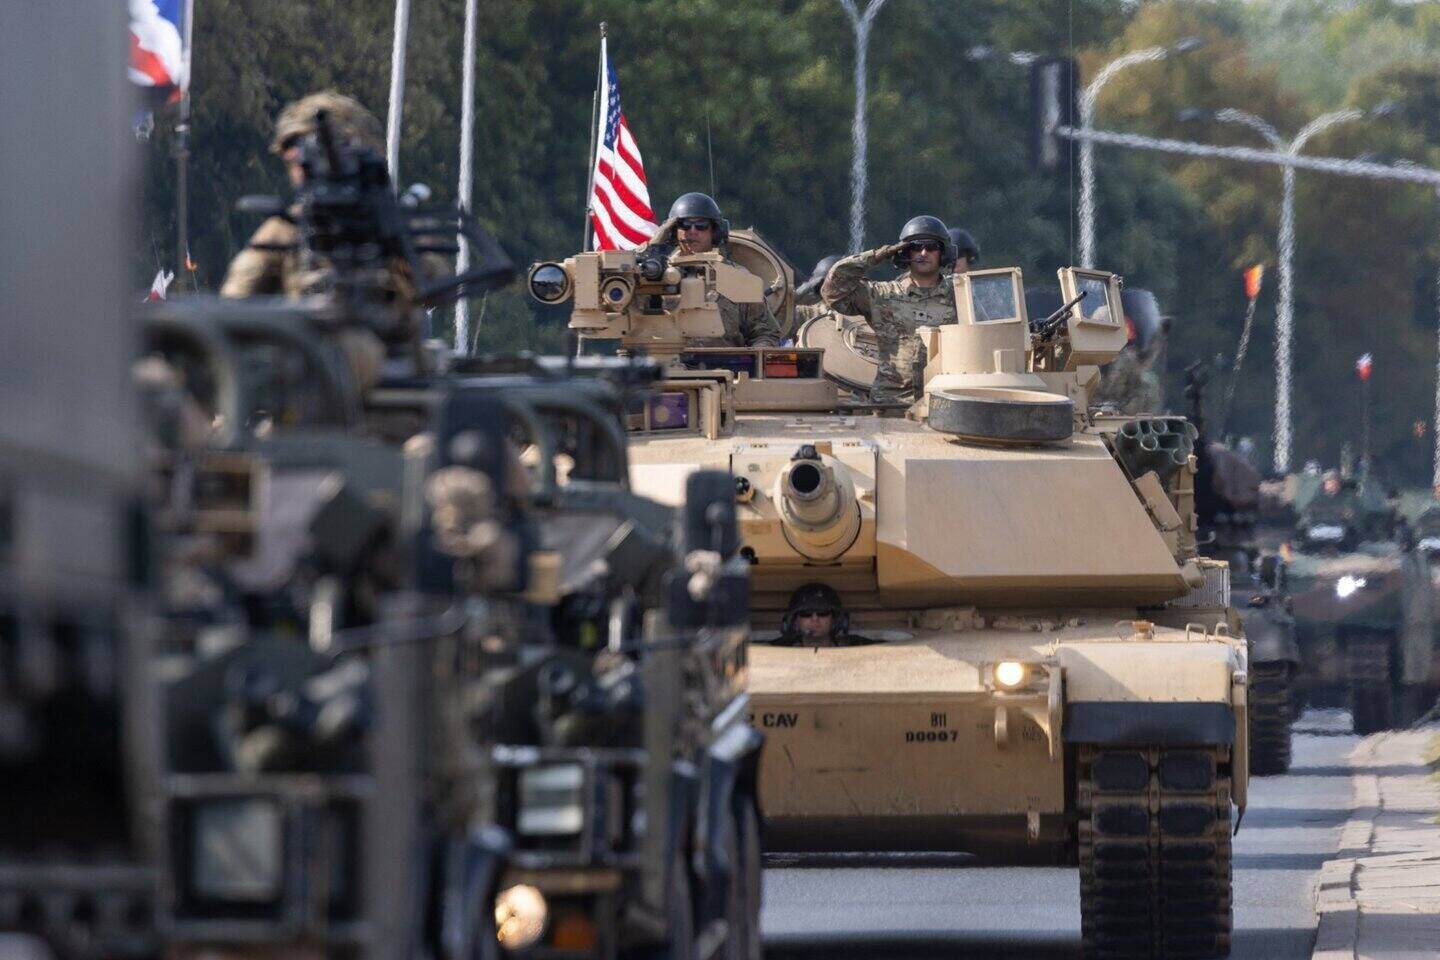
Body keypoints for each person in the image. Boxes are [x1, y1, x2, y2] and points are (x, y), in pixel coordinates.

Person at [219, 91, 387, 300]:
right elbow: (235, 300)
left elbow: (433, 281)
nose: (301, 169)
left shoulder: (389, 222)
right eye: (297, 160)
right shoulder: (285, 229)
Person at [821, 215, 956, 403]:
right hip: (892, 402)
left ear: (943, 253)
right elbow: (833, 290)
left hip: (943, 400)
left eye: (931, 247)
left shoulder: (958, 296)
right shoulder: (881, 295)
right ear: (904, 252)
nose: (923, 253)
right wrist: (876, 256)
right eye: (915, 247)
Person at [652, 192, 781, 348]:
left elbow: (765, 332)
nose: (692, 231)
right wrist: (654, 247)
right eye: (684, 225)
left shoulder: (736, 278)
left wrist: (752, 360)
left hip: (726, 366)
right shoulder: (655, 275)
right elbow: (625, 281)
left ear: (715, 231)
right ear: (673, 231)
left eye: (701, 225)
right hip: (667, 366)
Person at [773, 583, 867, 647]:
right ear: (795, 621)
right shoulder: (775, 652)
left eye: (823, 613)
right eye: (806, 614)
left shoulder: (859, 648)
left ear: (835, 619)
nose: (815, 618)